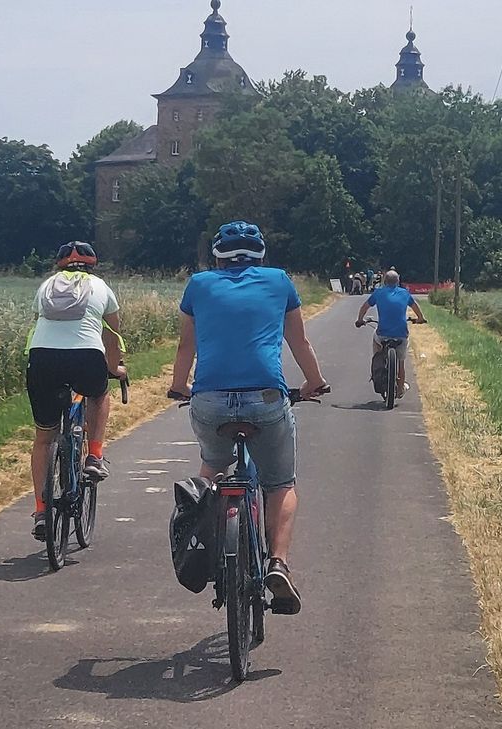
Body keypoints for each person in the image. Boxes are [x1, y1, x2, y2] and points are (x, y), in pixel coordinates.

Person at [169, 221, 328, 615]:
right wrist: (314, 382)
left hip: (209, 400)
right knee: (280, 483)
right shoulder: (279, 281)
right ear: (261, 254)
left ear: (217, 255)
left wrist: (178, 387)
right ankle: (278, 563)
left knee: (212, 465)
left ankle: (202, 514)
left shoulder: (199, 284)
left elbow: (186, 344)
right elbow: (299, 342)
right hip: (266, 398)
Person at [26, 241, 126, 540]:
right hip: (86, 357)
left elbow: (38, 325)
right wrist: (113, 368)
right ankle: (94, 456)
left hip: (42, 358)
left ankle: (42, 509)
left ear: (60, 265)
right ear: (92, 264)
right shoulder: (101, 288)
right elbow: (112, 337)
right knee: (98, 394)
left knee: (44, 437)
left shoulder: (44, 287)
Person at [355, 269, 427, 397]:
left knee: (375, 338)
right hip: (401, 334)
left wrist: (360, 320)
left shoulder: (379, 293)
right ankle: (400, 389)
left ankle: (378, 362)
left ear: (384, 281)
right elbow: (415, 307)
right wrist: (420, 319)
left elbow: (364, 307)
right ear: (398, 281)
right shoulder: (405, 293)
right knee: (401, 362)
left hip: (383, 334)